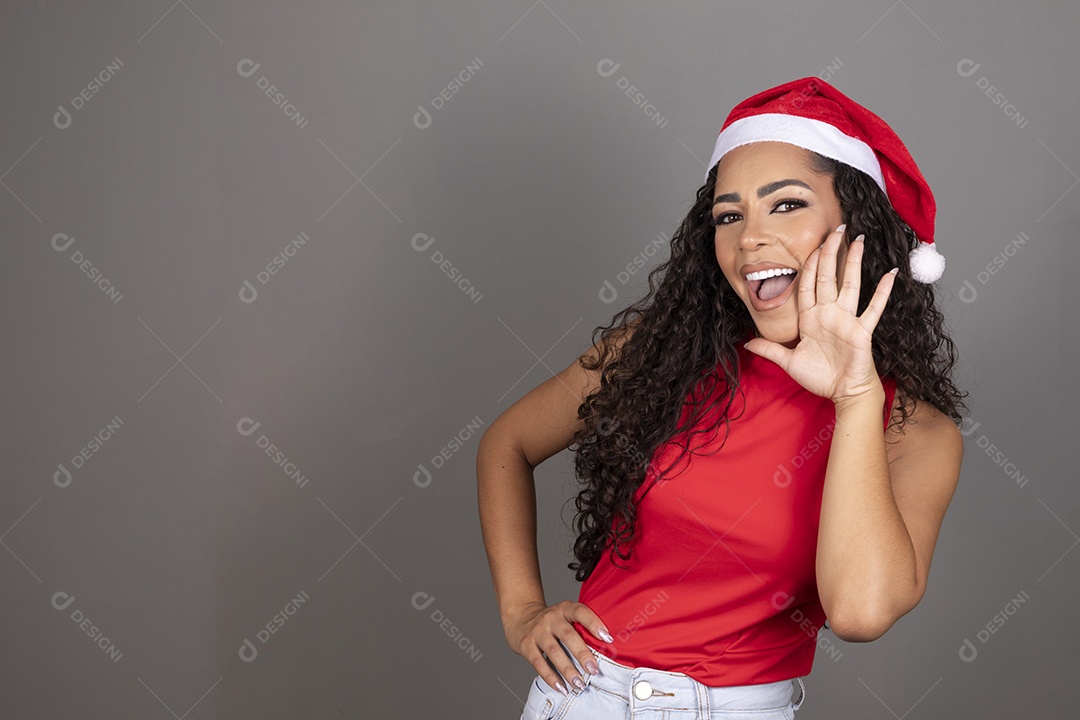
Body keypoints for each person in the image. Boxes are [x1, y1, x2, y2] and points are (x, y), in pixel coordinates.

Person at [477, 76, 966, 720]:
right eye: (729, 216)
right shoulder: (657, 353)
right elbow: (505, 445)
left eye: (786, 205)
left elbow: (859, 612)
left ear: (860, 227)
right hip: (581, 698)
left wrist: (853, 393)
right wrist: (521, 612)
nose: (749, 240)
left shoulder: (913, 431)